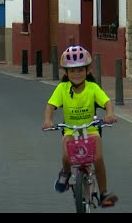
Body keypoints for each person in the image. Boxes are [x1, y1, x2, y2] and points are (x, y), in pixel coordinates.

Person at [42, 45, 118, 207]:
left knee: (97, 158)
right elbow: (50, 105)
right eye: (72, 71)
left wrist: (110, 114)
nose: (76, 74)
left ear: (88, 71)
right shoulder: (62, 88)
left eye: (80, 70)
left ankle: (104, 193)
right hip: (70, 128)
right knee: (66, 156)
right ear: (66, 73)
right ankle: (66, 172)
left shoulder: (93, 88)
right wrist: (48, 120)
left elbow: (106, 102)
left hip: (91, 128)